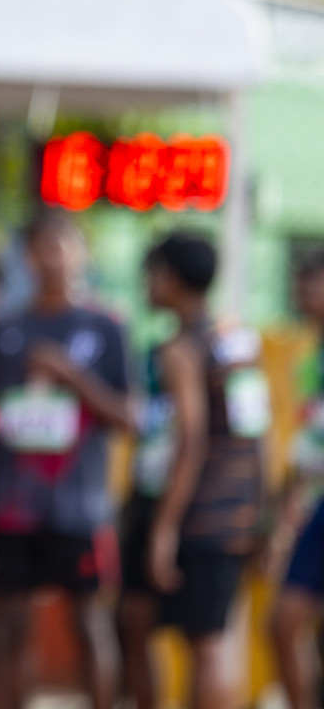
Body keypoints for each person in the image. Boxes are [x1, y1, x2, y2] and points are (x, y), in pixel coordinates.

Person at [0, 210, 135, 709]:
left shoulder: (106, 327)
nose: (53, 257)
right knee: (7, 628)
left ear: (80, 252)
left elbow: (130, 418)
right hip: (13, 506)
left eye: (62, 245)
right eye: (41, 247)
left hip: (80, 507)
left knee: (90, 626)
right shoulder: (4, 330)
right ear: (27, 257)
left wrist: (71, 376)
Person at [119, 232, 268, 709]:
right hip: (230, 512)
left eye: (151, 273)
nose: (146, 285)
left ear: (170, 278)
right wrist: (259, 511)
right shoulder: (237, 342)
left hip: (191, 514)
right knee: (152, 626)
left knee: (205, 643)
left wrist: (164, 528)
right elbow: (258, 435)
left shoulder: (183, 350)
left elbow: (191, 440)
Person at [270, 252, 324, 709]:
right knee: (284, 621)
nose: (304, 291)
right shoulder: (305, 353)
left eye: (314, 281)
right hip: (313, 506)